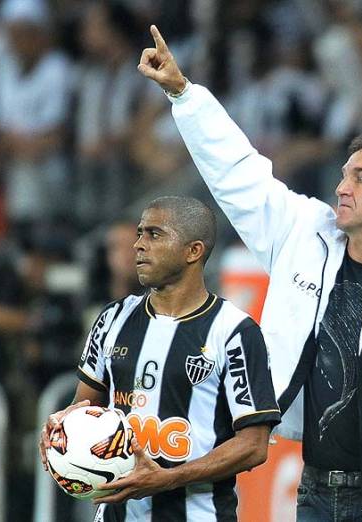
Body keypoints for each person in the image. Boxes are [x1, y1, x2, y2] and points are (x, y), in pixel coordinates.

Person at [137, 25, 362, 521]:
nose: (341, 186)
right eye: (343, 173)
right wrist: (184, 95)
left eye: (360, 177)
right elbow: (239, 173)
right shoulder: (304, 234)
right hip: (314, 494)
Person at [39, 196, 281, 521]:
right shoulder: (113, 318)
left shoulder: (235, 331)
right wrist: (60, 434)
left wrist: (166, 480)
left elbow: (253, 445)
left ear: (193, 251)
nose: (138, 245)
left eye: (154, 234)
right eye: (140, 233)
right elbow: (83, 406)